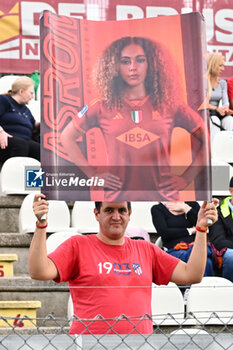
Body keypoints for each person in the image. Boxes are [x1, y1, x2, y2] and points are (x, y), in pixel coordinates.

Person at [28, 194, 218, 335]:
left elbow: (192, 275)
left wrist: (201, 229)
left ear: (130, 214)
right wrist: (41, 224)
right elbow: (39, 271)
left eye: (122, 210)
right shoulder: (78, 245)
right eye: (109, 210)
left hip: (139, 344)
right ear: (96, 213)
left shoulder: (146, 249)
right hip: (89, 344)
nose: (116, 216)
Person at [60, 36, 209, 202]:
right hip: (117, 203)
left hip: (164, 202)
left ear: (150, 64)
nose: (133, 67)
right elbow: (66, 137)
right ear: (114, 66)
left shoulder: (170, 105)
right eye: (125, 61)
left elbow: (206, 141)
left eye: (140, 60)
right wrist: (93, 174)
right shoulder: (101, 106)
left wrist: (186, 178)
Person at [151, 201, 215, 276]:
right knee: (203, 258)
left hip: (195, 246)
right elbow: (165, 233)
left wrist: (186, 208)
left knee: (204, 260)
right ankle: (206, 286)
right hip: (174, 249)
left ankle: (196, 286)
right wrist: (190, 231)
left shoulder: (192, 205)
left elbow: (201, 224)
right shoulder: (157, 209)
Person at [0, 76, 40, 163]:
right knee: (21, 145)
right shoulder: (4, 100)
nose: (32, 97)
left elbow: (34, 125)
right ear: (21, 91)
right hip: (6, 140)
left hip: (24, 140)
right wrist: (1, 132)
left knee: (39, 150)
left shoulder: (26, 109)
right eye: (31, 93)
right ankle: (14, 175)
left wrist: (42, 124)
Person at [209, 177, 233, 282]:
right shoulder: (218, 213)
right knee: (231, 256)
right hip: (227, 254)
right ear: (231, 191)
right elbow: (218, 241)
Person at [207, 53, 233, 145]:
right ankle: (214, 152)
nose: (223, 69)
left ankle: (228, 150)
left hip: (218, 112)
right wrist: (216, 108)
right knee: (215, 120)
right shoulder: (203, 81)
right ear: (213, 64)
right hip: (207, 113)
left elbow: (226, 102)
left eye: (223, 66)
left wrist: (226, 109)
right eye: (220, 65)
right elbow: (202, 103)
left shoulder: (222, 83)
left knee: (230, 120)